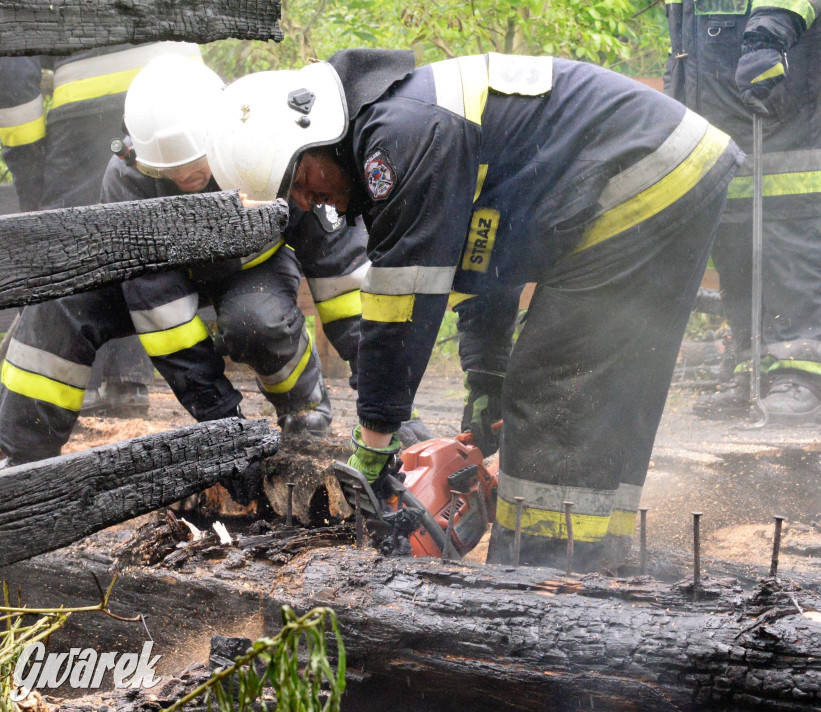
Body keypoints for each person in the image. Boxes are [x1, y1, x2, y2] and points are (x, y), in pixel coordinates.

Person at [205, 50, 743, 571]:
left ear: (318, 134)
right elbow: (490, 258)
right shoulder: (410, 127)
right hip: (671, 164)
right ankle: (598, 561)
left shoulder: (400, 139)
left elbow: (402, 305)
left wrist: (375, 437)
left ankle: (536, 584)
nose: (304, 201)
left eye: (301, 180)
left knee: (557, 379)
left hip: (644, 168)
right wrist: (487, 375)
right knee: (604, 386)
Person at [0, 54, 391, 467]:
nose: (188, 179)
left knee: (257, 322)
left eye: (197, 168)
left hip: (251, 267)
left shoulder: (267, 142)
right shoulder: (126, 178)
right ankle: (24, 459)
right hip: (163, 275)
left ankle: (303, 408)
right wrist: (224, 426)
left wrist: (385, 401)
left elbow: (342, 277)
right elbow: (164, 320)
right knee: (58, 301)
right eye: (174, 173)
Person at [0, 43, 209, 417]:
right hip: (187, 90)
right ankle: (126, 384)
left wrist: (32, 178)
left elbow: (13, 72)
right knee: (138, 239)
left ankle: (34, 417)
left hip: (87, 99)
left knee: (67, 250)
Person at [664, 0, 821, 423]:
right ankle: (753, 369)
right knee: (735, 251)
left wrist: (766, 37)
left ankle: (807, 380)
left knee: (786, 250)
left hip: (777, 123)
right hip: (718, 126)